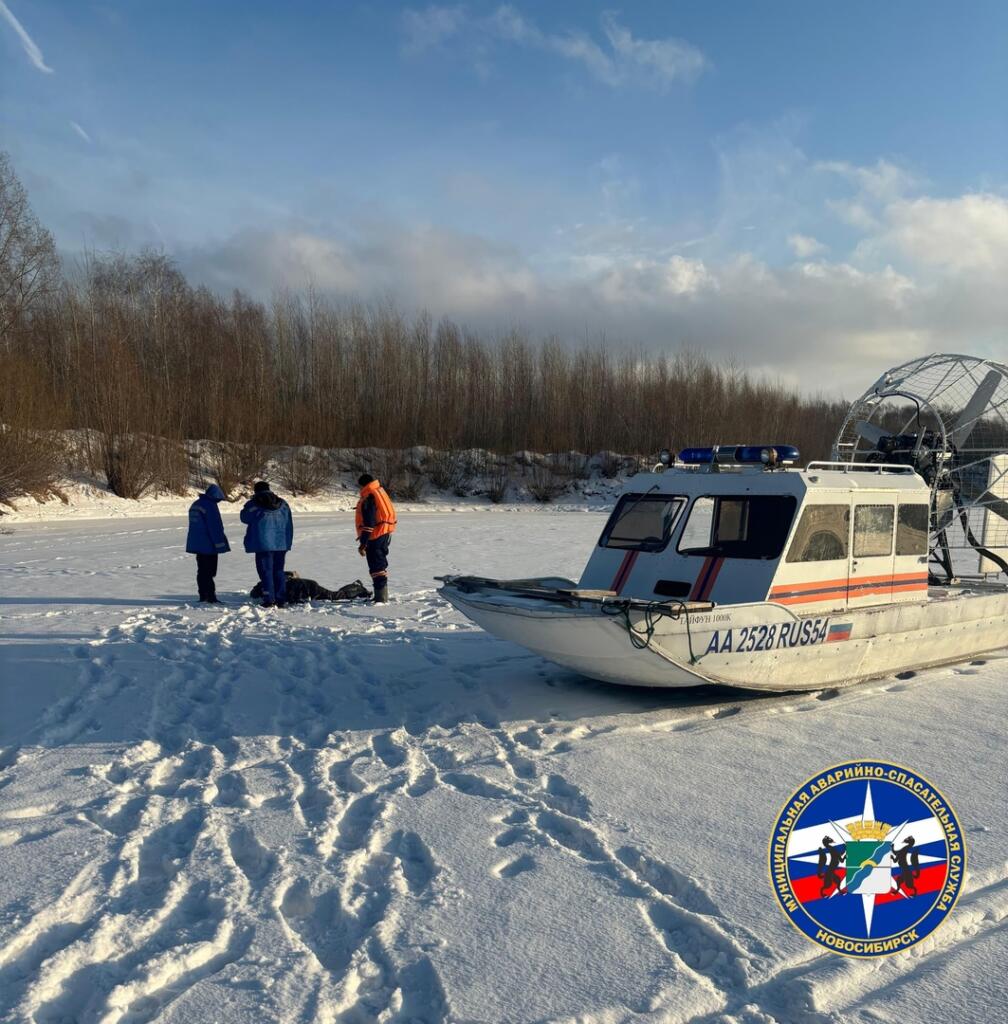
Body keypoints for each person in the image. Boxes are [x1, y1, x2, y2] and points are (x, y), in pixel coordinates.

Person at [241, 480, 294, 608]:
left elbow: (244, 518)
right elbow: (289, 524)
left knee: (266, 571)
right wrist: (288, 542)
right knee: (279, 571)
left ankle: (269, 598)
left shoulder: (254, 504)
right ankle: (281, 598)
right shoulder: (283, 504)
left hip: (262, 543)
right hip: (281, 543)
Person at [355, 474, 397, 603]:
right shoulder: (379, 491)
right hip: (385, 534)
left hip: (375, 536)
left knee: (376, 565)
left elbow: (369, 523)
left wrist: (363, 543)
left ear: (363, 485)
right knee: (380, 564)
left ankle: (381, 597)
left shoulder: (369, 497)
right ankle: (381, 595)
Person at [186, 483, 230, 603]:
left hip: (197, 543)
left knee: (201, 570)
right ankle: (211, 596)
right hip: (208, 544)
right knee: (209, 571)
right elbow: (215, 527)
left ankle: (202, 595)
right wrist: (220, 545)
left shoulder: (196, 504)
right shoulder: (210, 506)